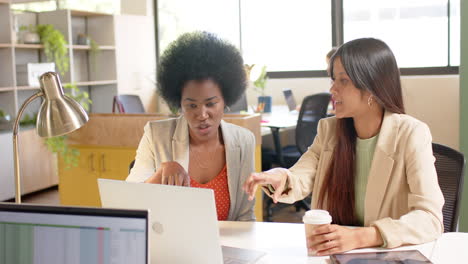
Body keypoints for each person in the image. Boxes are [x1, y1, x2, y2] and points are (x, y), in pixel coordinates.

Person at [243, 38, 444, 254]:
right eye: (332, 79)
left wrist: (363, 236)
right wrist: (282, 178)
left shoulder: (411, 134)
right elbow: (303, 173)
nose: (332, 89)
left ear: (371, 88)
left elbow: (430, 219)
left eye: (343, 80)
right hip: (335, 255)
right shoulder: (329, 130)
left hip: (387, 256)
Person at [127, 31, 255, 221]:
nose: (202, 115)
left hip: (227, 248)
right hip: (172, 245)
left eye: (211, 104)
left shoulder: (243, 141)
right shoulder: (156, 136)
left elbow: (245, 216)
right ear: (179, 103)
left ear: (226, 100)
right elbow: (128, 203)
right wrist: (161, 173)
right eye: (191, 105)